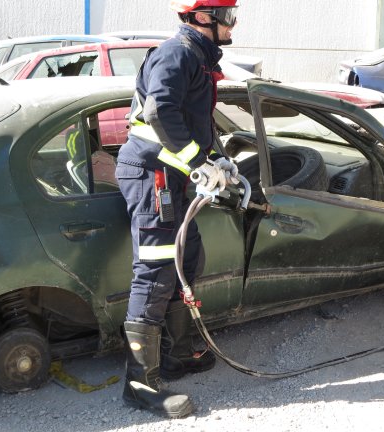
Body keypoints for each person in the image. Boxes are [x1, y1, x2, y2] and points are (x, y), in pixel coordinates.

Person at [115, 0, 240, 418]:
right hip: (152, 176)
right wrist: (198, 163)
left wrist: (216, 158)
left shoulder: (196, 58)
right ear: (204, 17)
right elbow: (159, 111)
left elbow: (191, 121)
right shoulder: (178, 53)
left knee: (186, 258)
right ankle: (139, 385)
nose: (233, 23)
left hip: (171, 177)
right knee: (154, 273)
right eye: (228, 16)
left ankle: (176, 354)